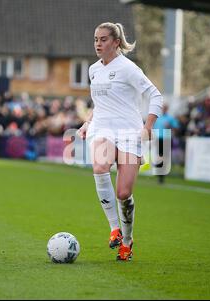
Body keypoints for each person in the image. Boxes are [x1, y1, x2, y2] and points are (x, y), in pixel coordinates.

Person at [77, 22, 163, 261]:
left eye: (103, 39)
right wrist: (87, 123)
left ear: (116, 42)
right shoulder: (93, 69)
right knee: (100, 166)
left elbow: (155, 95)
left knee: (123, 193)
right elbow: (100, 104)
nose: (98, 43)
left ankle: (127, 240)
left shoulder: (128, 68)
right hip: (102, 128)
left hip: (129, 131)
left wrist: (148, 127)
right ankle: (114, 228)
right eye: (96, 39)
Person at [152, 103, 179, 184]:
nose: (163, 109)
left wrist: (170, 126)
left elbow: (176, 127)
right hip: (158, 138)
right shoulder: (157, 117)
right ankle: (160, 172)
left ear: (167, 109)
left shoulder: (170, 118)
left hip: (166, 138)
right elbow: (153, 127)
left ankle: (161, 175)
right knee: (159, 156)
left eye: (165, 108)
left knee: (164, 157)